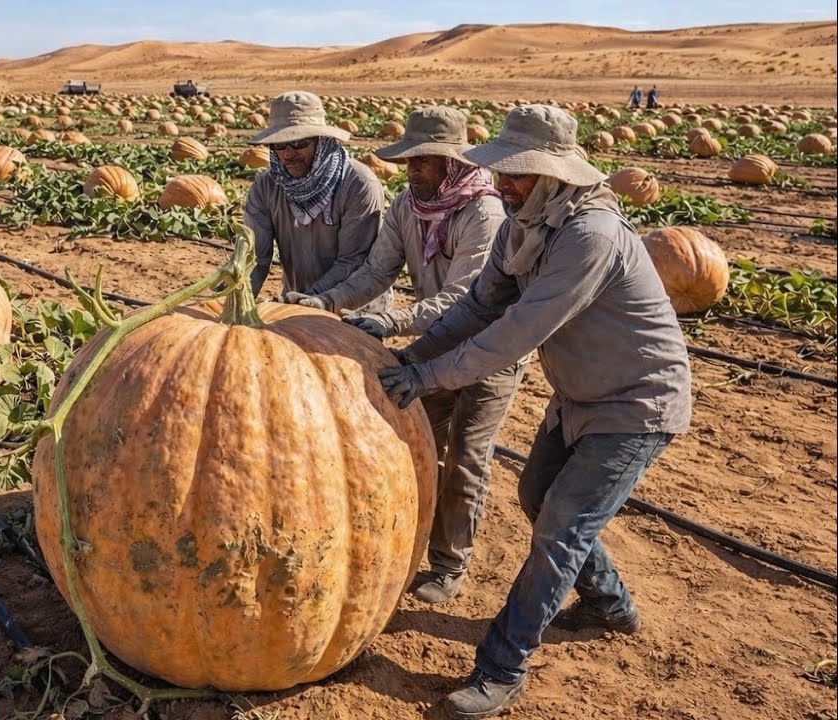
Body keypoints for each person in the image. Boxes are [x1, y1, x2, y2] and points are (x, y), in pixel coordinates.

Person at [377, 105, 691, 718]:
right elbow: (478, 308)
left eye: (520, 174)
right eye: (505, 171)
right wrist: (411, 356)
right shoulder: (522, 226)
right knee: (536, 496)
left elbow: (517, 332)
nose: (505, 183)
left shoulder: (590, 236)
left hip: (637, 405)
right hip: (579, 396)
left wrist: (429, 377)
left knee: (560, 530)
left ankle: (501, 667)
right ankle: (608, 603)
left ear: (556, 176)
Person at [281, 106, 523, 603]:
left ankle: (449, 565)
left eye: (424, 160)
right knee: (414, 448)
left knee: (466, 458)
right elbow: (375, 273)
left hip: (488, 349)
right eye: (409, 159)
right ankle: (406, 544)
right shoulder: (405, 208)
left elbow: (466, 296)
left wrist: (392, 322)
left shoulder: (484, 212)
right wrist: (325, 301)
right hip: (434, 347)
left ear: (452, 163)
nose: (411, 169)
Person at [243, 90, 390, 312]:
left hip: (354, 308)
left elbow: (352, 262)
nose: (287, 154)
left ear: (322, 141)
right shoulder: (266, 187)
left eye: (299, 142)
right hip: (298, 302)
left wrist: (309, 300)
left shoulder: (358, 184)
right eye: (279, 145)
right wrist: (237, 298)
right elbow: (255, 259)